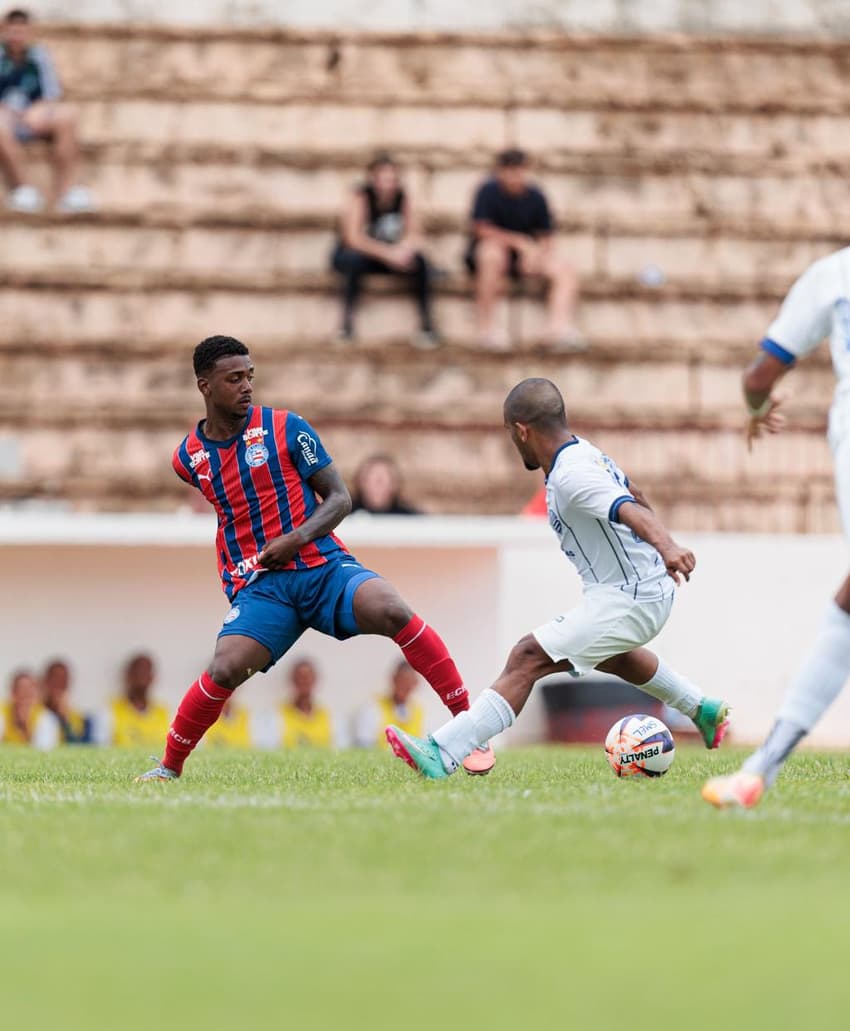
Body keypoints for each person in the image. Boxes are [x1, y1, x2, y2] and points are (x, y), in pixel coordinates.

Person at [135, 334, 490, 781]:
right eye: (234, 379)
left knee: (392, 608)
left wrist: (295, 537)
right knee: (225, 667)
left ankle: (471, 730)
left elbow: (340, 499)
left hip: (322, 566)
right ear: (205, 386)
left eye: (250, 376)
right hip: (263, 587)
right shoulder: (188, 458)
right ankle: (168, 767)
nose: (246, 387)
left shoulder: (287, 428)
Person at [386, 378, 730, 778]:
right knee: (612, 654)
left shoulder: (570, 475)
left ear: (521, 430)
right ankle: (701, 708)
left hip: (632, 597)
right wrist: (656, 552)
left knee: (527, 657)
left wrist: (666, 546)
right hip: (631, 591)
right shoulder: (583, 452)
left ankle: (443, 751)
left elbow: (627, 507)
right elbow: (632, 492)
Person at [702, 248, 850, 808]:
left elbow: (760, 374)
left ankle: (761, 766)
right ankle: (761, 767)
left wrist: (755, 408)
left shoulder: (833, 273)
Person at [465, 148, 583, 352]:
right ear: (500, 172)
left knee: (566, 269)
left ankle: (558, 327)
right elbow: (481, 229)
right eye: (509, 171)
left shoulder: (536, 196)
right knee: (490, 254)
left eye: (518, 171)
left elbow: (547, 236)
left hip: (524, 257)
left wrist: (536, 255)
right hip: (495, 255)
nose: (514, 177)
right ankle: (486, 328)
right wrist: (517, 242)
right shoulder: (487, 191)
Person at [331, 153, 440, 348]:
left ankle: (427, 325)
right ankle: (346, 325)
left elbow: (415, 233)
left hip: (387, 257)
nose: (388, 184)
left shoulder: (403, 197)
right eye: (383, 178)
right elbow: (352, 238)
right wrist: (388, 254)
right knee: (353, 262)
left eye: (392, 179)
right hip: (359, 255)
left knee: (420, 263)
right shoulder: (360, 196)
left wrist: (403, 249)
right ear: (372, 178)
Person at [0, 8, 92, 211]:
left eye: (21, 31)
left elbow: (51, 93)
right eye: (12, 31)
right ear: (4, 32)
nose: (17, 37)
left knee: (67, 117)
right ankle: (24, 189)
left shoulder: (39, 57)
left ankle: (65, 193)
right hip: (6, 118)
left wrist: (37, 109)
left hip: (34, 116)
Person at [353, 661, 424, 748]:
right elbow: (364, 744)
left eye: (408, 683)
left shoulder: (418, 711)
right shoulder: (372, 707)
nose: (404, 687)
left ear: (415, 684)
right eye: (401, 681)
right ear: (393, 679)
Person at [110, 653, 171, 747]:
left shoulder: (164, 712)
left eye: (146, 671)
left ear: (152, 677)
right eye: (137, 671)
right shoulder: (110, 710)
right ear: (128, 675)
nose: (141, 676)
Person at [279, 658, 333, 749]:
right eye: (300, 677)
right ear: (293, 680)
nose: (304, 681)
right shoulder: (278, 714)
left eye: (307, 677)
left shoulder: (326, 714)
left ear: (315, 680)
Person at [350, 454, 421, 515]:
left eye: (382, 481)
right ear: (360, 482)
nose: (377, 487)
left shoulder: (411, 519)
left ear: (394, 484)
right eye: (371, 480)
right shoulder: (345, 517)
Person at [42, 657, 89, 743]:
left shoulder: (76, 717)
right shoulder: (36, 710)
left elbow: (77, 747)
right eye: (54, 679)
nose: (58, 685)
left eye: (63, 680)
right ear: (45, 681)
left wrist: (65, 719)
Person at [0, 669, 49, 745]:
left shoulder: (45, 717)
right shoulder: (2, 712)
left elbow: (43, 749)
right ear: (13, 692)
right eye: (20, 689)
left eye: (29, 690)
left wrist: (25, 729)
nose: (25, 694)